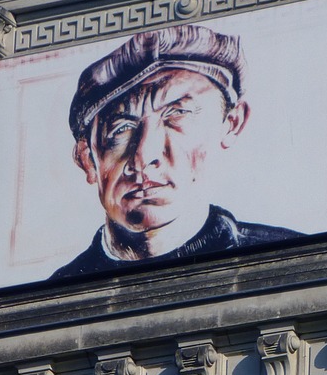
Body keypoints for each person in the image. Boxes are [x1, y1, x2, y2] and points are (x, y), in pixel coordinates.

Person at [51, 23, 301, 279]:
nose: (144, 158)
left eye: (177, 113)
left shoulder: (291, 265)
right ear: (86, 159)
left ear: (231, 123)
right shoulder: (55, 295)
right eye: (121, 128)